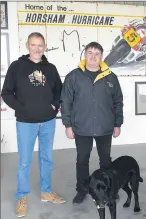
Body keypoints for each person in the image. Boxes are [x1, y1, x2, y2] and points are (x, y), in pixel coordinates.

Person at [1, 32, 65, 218]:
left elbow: (59, 91)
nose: (37, 48)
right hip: (26, 123)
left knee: (47, 159)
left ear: (44, 47)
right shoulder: (17, 67)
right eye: (33, 45)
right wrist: (22, 109)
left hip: (47, 122)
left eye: (40, 45)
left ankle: (46, 191)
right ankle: (22, 196)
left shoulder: (51, 68)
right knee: (24, 162)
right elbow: (6, 93)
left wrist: (54, 106)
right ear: (27, 46)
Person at [60, 41, 123, 204]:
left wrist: (118, 124)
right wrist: (67, 125)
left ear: (101, 57)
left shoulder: (111, 77)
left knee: (106, 160)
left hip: (105, 127)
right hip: (82, 127)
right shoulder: (74, 76)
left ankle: (109, 188)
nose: (93, 56)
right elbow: (65, 101)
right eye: (90, 53)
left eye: (97, 53)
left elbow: (118, 101)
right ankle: (82, 190)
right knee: (82, 160)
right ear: (85, 55)